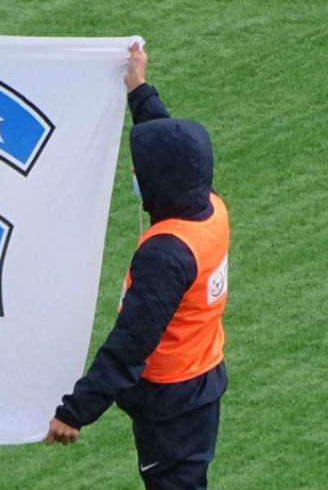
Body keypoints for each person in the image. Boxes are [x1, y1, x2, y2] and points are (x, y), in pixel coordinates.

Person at [44, 42, 230, 490]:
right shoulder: (208, 206)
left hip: (171, 400)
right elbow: (170, 147)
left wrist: (75, 412)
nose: (134, 171)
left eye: (140, 170)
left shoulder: (166, 255)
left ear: (160, 181)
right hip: (199, 379)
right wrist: (138, 88)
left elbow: (131, 343)